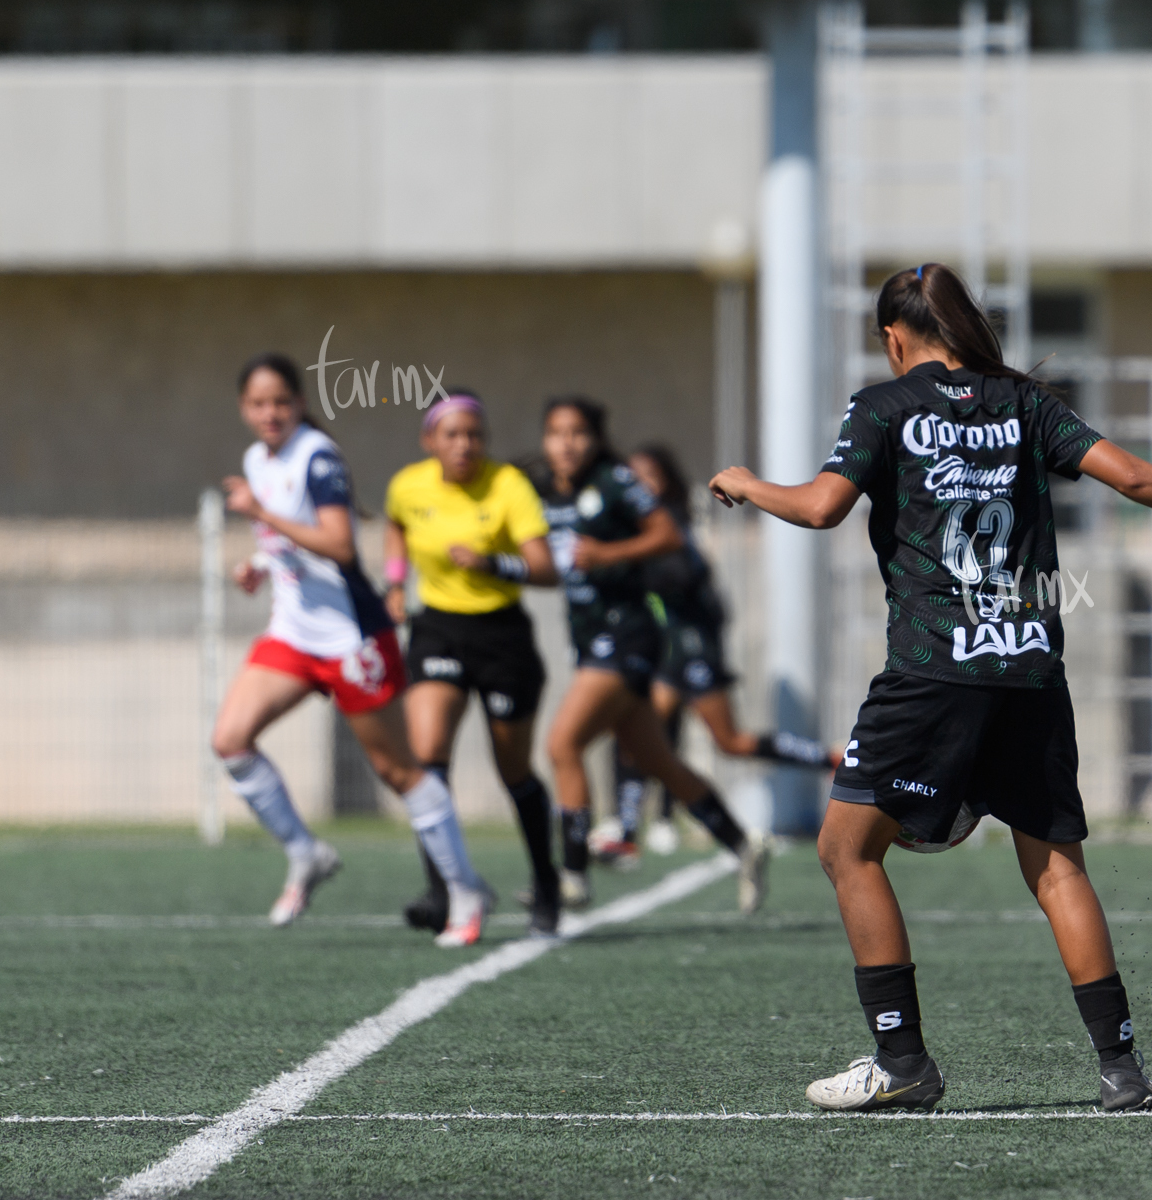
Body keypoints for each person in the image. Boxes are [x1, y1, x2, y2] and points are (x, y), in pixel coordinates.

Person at [710, 263, 1152, 1113]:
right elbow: (1133, 477)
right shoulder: (1023, 402)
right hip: (1029, 666)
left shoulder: (883, 408)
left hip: (932, 671)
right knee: (1059, 870)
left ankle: (902, 1059)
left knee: (847, 849)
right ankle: (1123, 1074)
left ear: (893, 338)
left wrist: (743, 480)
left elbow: (818, 508)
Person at [210, 354, 491, 947]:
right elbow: (288, 539)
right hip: (292, 634)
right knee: (230, 741)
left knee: (400, 771)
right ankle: (305, 852)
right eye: (258, 404)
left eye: (281, 402)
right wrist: (259, 564)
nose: (270, 413)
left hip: (349, 638)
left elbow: (339, 545)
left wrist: (260, 515)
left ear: (300, 403)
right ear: (243, 408)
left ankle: (465, 889)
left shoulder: (318, 457)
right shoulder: (257, 461)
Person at [527, 397, 770, 912]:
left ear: (595, 438)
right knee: (658, 760)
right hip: (589, 638)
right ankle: (742, 843)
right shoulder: (543, 490)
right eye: (555, 433)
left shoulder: (615, 482)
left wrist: (608, 554)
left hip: (629, 634)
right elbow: (552, 565)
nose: (566, 443)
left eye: (577, 432)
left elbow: (666, 534)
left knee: (562, 743)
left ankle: (571, 876)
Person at [598, 443, 839, 868]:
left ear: (665, 481)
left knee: (729, 742)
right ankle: (629, 829)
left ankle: (830, 758)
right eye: (632, 477)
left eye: (648, 476)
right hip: (667, 650)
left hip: (692, 648)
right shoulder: (635, 527)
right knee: (639, 734)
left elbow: (686, 578)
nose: (640, 485)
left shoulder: (668, 526)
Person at [384, 391, 567, 936]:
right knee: (426, 756)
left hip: (501, 636)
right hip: (437, 628)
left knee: (514, 772)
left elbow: (546, 569)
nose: (464, 444)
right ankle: (447, 889)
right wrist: (395, 582)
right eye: (452, 435)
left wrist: (491, 562)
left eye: (475, 435)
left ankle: (547, 884)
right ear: (430, 441)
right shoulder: (407, 486)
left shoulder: (507, 486)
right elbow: (395, 525)